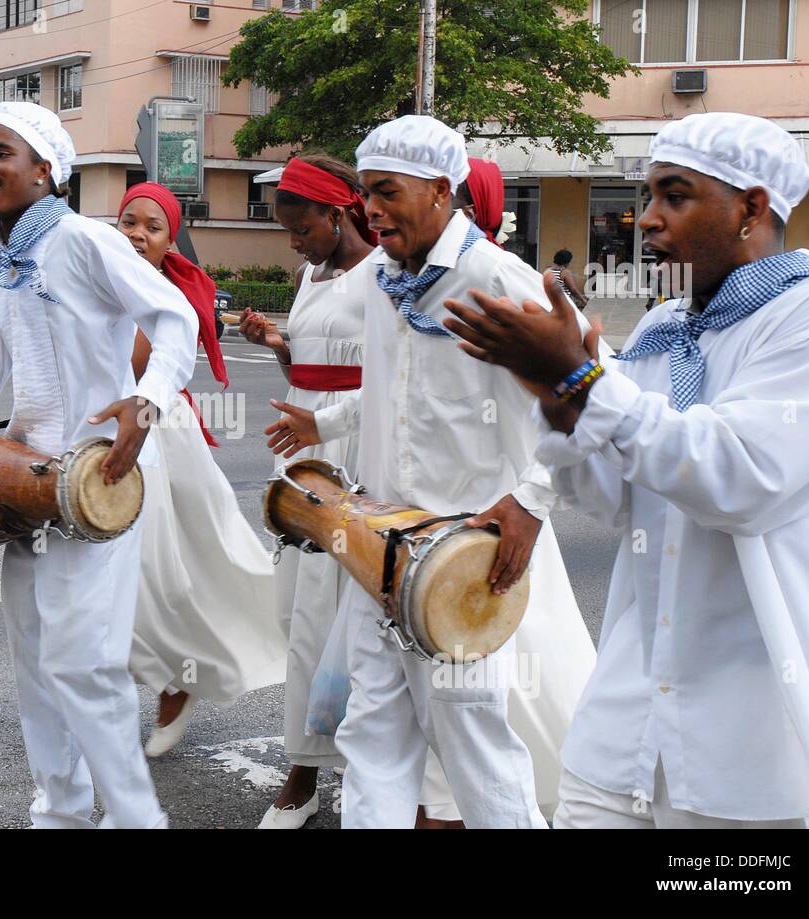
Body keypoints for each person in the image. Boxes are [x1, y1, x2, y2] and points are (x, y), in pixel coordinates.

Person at [442, 111, 809, 829]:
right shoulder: (663, 329)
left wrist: (584, 380)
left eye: (675, 196)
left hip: (750, 747)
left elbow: (738, 479)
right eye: (649, 195)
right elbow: (619, 498)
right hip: (626, 722)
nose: (647, 219)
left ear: (752, 207)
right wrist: (557, 400)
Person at [267, 116, 595, 829]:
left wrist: (531, 503)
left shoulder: (498, 279)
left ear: (442, 191)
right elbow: (389, 390)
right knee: (371, 737)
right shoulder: (387, 278)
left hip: (463, 562)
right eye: (366, 193)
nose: (371, 208)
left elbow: (588, 397)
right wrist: (322, 423)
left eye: (386, 192)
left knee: (471, 742)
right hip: (381, 545)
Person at [0, 101, 197, 827]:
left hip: (95, 481)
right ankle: (63, 810)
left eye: (1, 153)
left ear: (45, 171)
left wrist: (144, 405)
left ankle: (137, 819)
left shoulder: (83, 241)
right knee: (37, 663)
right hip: (17, 483)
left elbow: (178, 319)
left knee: (87, 667)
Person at [115, 181, 286, 758]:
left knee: (166, 568)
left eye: (152, 226)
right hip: (98, 436)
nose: (137, 233)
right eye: (128, 222)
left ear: (170, 241)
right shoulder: (98, 282)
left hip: (160, 436)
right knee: (106, 577)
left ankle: (174, 683)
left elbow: (138, 367)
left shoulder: (168, 299)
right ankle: (119, 693)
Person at [236, 153, 376, 828]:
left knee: (346, 614)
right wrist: (275, 343)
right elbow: (311, 363)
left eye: (301, 228)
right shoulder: (310, 276)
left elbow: (381, 377)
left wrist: (329, 424)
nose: (293, 241)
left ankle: (322, 768)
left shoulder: (383, 277)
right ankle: (310, 762)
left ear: (337, 212)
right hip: (302, 450)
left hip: (353, 453)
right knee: (298, 612)